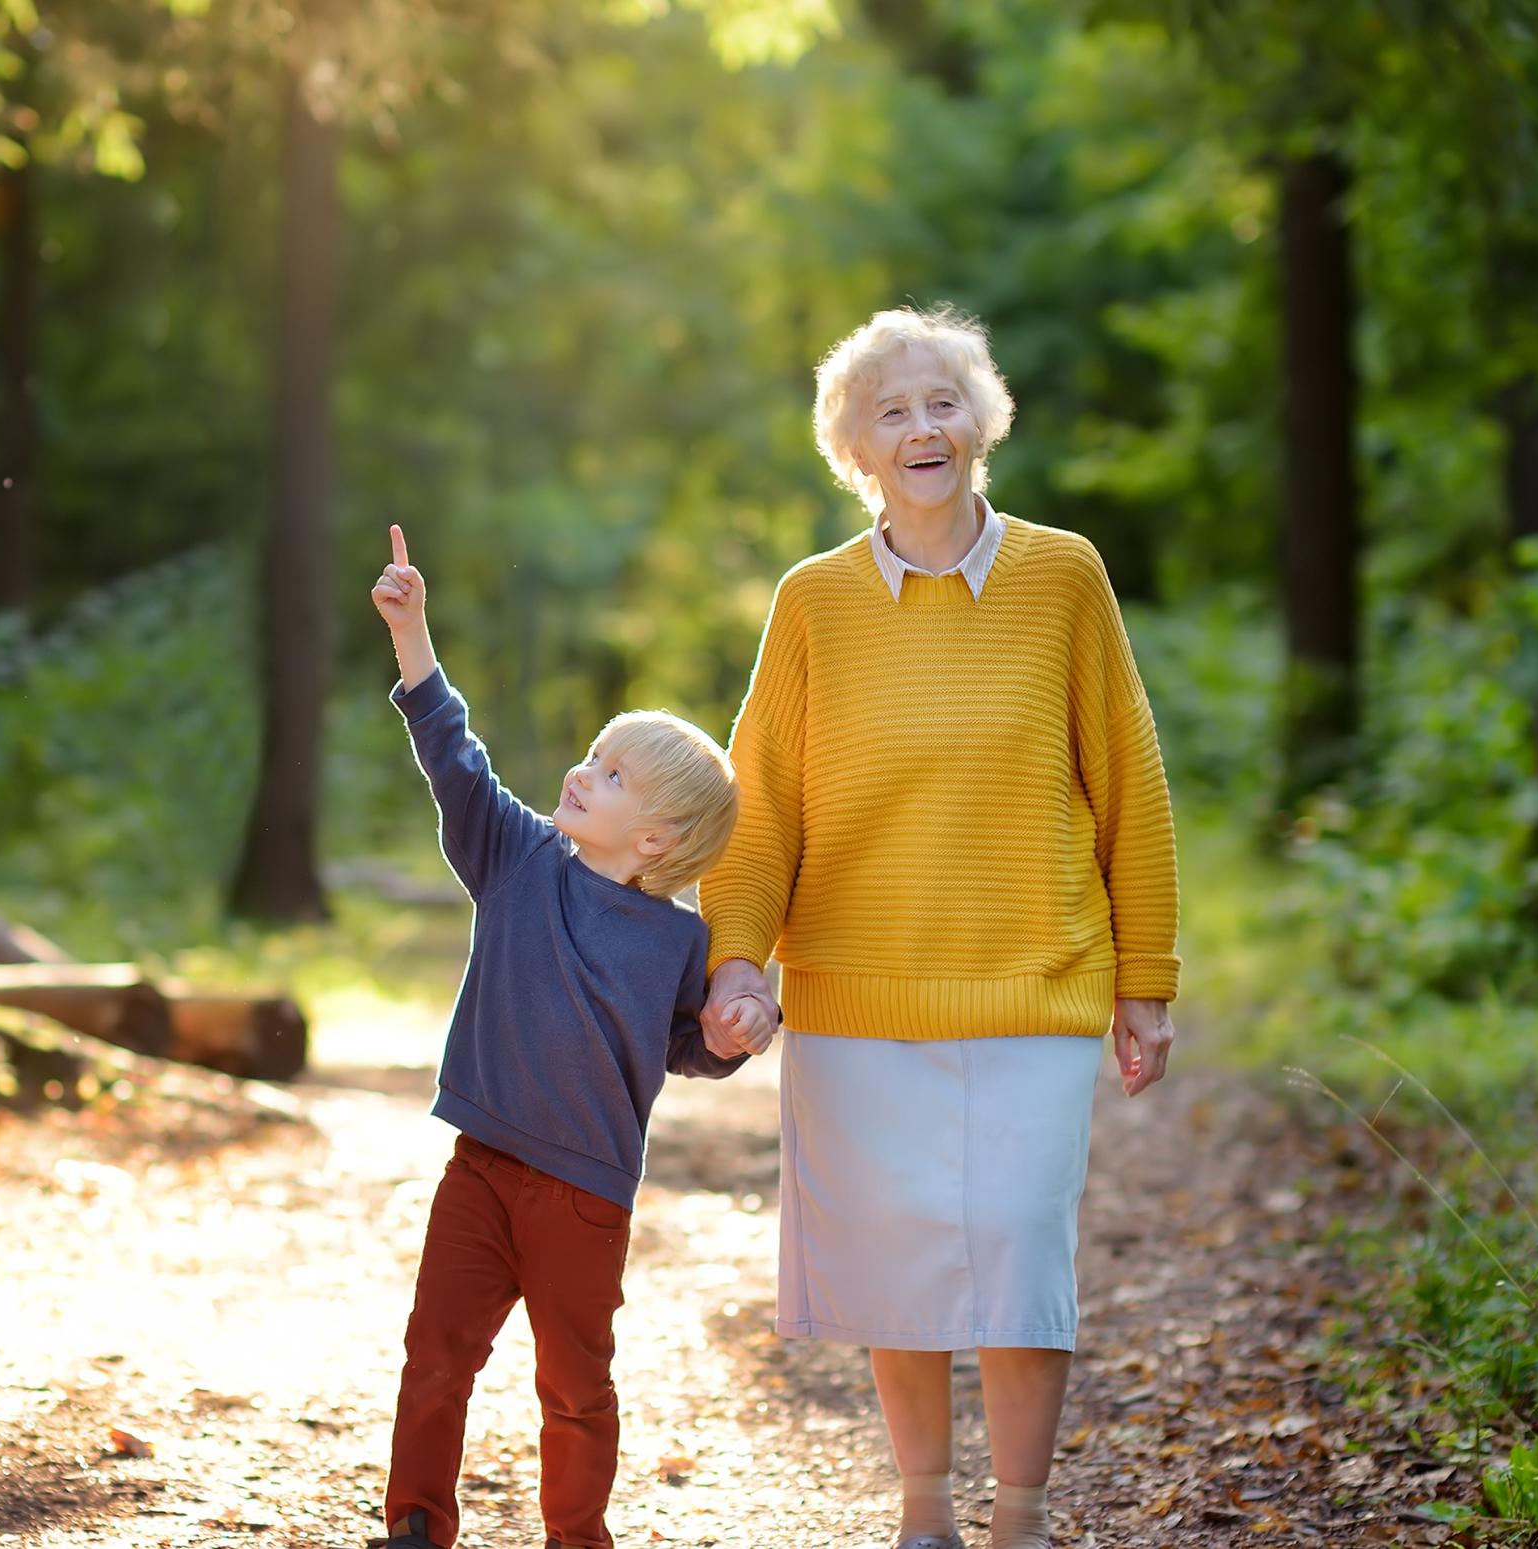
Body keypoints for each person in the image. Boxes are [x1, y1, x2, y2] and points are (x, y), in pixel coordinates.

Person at [696, 307, 1182, 1549]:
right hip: (858, 997)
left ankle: (1017, 1516)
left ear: (984, 420)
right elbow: (765, 804)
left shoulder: (1063, 575)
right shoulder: (813, 603)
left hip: (1037, 983)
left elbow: (1128, 773)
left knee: (1021, 1262)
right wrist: (738, 957)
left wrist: (1147, 976)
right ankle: (925, 1514)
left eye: (943, 401)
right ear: (853, 448)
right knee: (897, 1271)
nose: (922, 427)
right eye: (891, 411)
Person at [368, 523, 753, 1549]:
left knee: (575, 1382)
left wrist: (730, 1030)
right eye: (592, 757)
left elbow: (688, 1043)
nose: (585, 773)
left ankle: (577, 1534)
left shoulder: (679, 939)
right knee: (435, 1350)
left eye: (615, 776)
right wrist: (414, 637)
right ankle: (416, 1519)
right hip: (482, 1166)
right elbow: (454, 756)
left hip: (584, 1194)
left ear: (657, 841)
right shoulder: (515, 855)